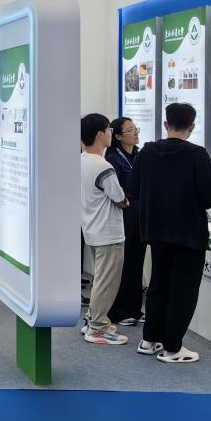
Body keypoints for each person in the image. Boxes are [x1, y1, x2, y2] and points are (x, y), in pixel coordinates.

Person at [128, 102, 211, 363]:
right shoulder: (198, 155)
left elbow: (133, 189)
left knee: (158, 283)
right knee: (184, 290)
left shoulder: (147, 152)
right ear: (192, 127)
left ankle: (149, 339)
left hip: (156, 230)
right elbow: (208, 196)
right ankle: (172, 347)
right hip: (189, 233)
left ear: (166, 124)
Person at [79, 113, 129, 345]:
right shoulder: (103, 166)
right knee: (106, 282)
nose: (111, 133)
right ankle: (98, 327)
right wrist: (124, 201)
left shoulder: (80, 160)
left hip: (91, 229)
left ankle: (92, 319)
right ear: (100, 134)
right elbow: (119, 197)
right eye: (109, 129)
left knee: (100, 280)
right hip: (108, 232)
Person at [106, 117, 145, 326]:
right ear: (119, 136)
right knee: (123, 263)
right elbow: (116, 191)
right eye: (130, 130)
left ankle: (134, 308)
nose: (135, 132)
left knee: (137, 261)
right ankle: (118, 310)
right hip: (124, 213)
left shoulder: (139, 155)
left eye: (135, 128)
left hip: (140, 213)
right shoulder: (113, 159)